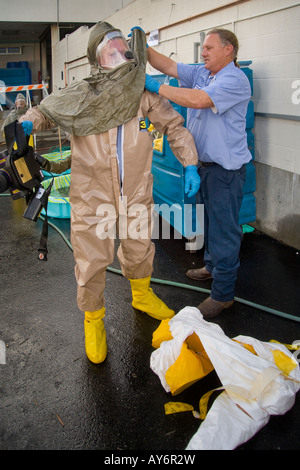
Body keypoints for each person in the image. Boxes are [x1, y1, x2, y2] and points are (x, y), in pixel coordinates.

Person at [19, 22, 200, 364]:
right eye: (110, 50)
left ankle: (142, 295)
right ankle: (94, 319)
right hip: (92, 193)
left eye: (122, 47)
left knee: (139, 245)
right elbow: (45, 110)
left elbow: (173, 126)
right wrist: (28, 121)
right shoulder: (82, 93)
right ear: (97, 59)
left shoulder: (142, 92)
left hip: (135, 189)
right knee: (91, 258)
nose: (119, 55)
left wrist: (190, 162)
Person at [145, 28, 252, 318]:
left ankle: (223, 294)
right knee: (209, 223)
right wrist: (139, 46)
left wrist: (157, 88)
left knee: (225, 231)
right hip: (203, 168)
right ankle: (212, 267)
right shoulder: (202, 72)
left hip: (225, 172)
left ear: (228, 50)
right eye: (203, 48)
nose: (202, 52)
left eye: (208, 47)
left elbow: (198, 100)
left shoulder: (234, 80)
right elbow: (166, 65)